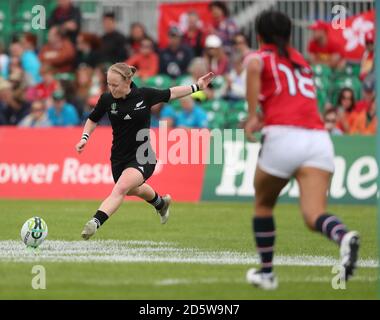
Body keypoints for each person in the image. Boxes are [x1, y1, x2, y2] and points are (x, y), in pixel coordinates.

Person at [243, 10, 359, 290]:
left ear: (259, 36)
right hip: (318, 139)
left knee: (263, 204)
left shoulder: (262, 56)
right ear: (289, 34)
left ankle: (267, 273)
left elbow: (255, 64)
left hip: (283, 135)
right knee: (313, 214)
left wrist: (252, 115)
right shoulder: (301, 62)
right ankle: (343, 236)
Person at [75, 62, 214, 240]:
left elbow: (171, 93)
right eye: (109, 84)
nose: (112, 88)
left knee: (121, 188)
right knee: (134, 189)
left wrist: (198, 86)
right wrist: (84, 138)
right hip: (118, 157)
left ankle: (95, 222)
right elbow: (92, 119)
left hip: (143, 155)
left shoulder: (144, 95)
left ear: (127, 81)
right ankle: (160, 203)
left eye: (115, 85)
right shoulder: (107, 99)